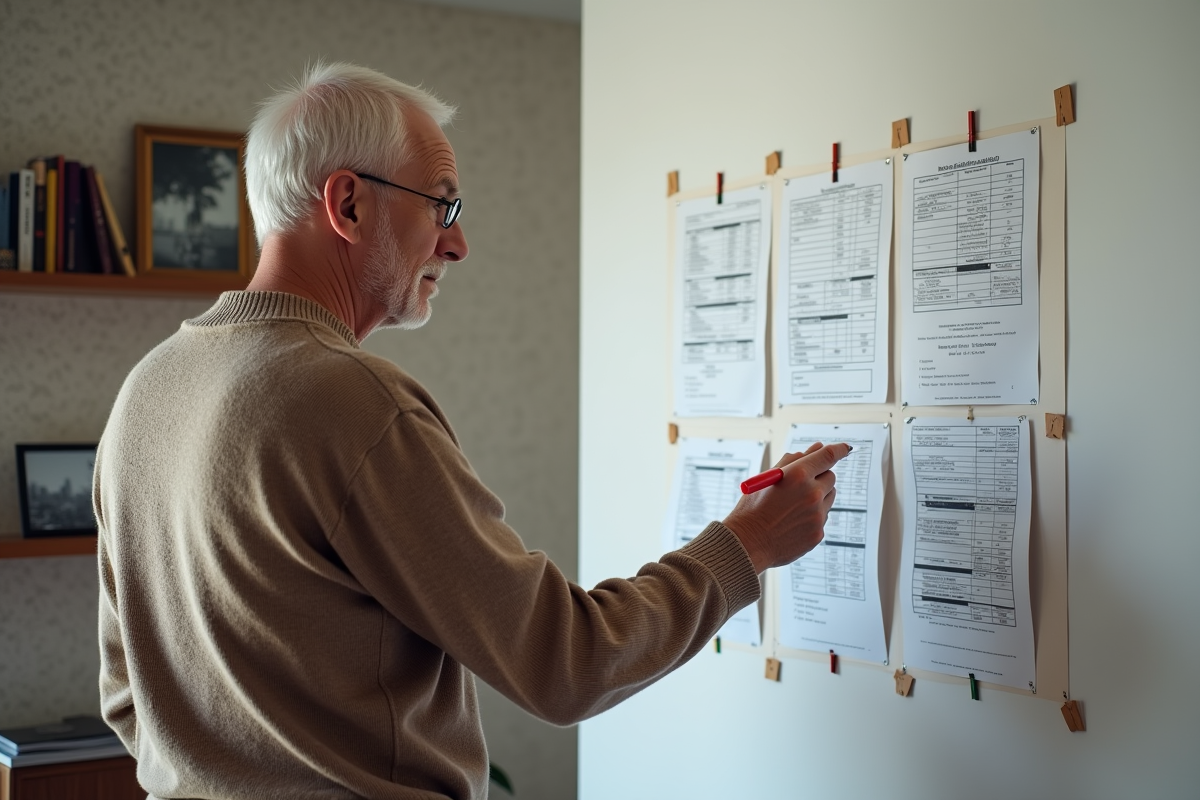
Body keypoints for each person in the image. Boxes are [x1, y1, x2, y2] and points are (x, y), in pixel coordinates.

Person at [95, 61, 849, 800]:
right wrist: (745, 546)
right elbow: (567, 664)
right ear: (348, 205)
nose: (457, 245)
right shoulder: (349, 399)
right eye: (442, 207)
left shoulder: (145, 389)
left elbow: (129, 699)